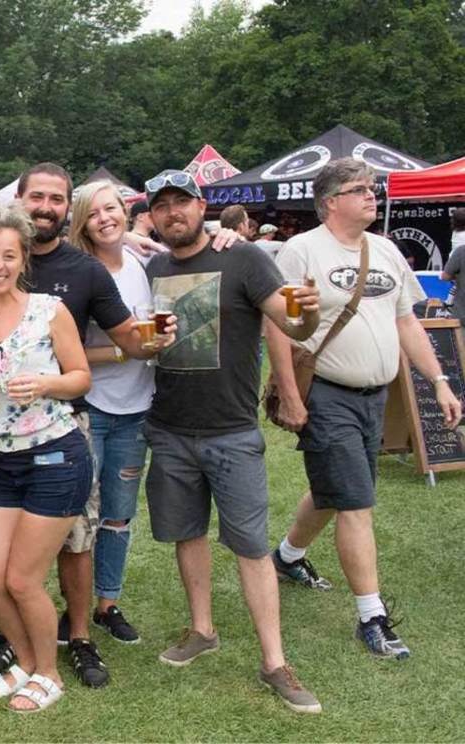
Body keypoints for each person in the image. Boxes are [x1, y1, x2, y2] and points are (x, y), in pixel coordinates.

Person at [0, 163, 168, 690]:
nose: (45, 207)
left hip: (64, 427)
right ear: (20, 200)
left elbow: (127, 339)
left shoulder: (83, 271)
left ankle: (78, 635)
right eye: (37, 196)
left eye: (56, 199)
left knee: (76, 542)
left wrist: (166, 335)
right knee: (5, 554)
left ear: (66, 208)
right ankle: (16, 637)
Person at [142, 168, 322, 714]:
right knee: (186, 534)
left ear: (203, 207)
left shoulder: (243, 259)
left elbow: (291, 327)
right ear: (152, 215)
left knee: (249, 545)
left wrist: (307, 308)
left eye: (183, 202)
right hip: (169, 428)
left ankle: (275, 662)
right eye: (163, 206)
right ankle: (202, 630)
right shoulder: (151, 267)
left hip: (231, 431)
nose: (174, 213)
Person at [267, 158, 462, 659]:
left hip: (376, 396)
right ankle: (371, 615)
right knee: (356, 502)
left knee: (335, 490)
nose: (372, 196)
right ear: (331, 201)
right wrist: (290, 394)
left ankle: (287, 556)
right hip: (328, 392)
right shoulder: (301, 250)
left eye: (373, 189)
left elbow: (407, 325)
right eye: (359, 190)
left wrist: (439, 380)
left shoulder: (389, 250)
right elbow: (277, 327)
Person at [0, 202, 93, 713]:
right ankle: (27, 661)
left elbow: (80, 377)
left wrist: (46, 383)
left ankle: (48, 672)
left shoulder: (49, 310)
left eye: (9, 255)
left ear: (22, 259)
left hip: (57, 454)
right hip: (4, 461)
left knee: (22, 579)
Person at [69, 181, 155, 643]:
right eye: (93, 213)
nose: (105, 218)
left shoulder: (141, 265)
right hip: (92, 407)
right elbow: (67, 351)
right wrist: (128, 352)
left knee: (119, 515)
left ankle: (108, 603)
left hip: (136, 408)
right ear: (82, 223)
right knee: (82, 516)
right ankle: (75, 608)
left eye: (112, 209)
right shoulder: (81, 272)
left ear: (125, 212)